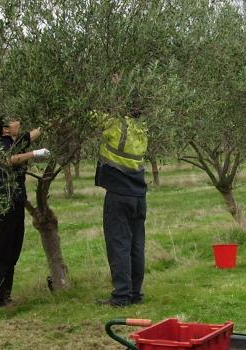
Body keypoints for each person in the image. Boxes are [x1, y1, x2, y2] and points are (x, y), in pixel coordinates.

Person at [93, 85, 149, 308]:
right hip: (138, 195)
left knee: (119, 245)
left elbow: (87, 112)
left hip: (118, 195)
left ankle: (121, 296)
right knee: (136, 245)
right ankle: (134, 293)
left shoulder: (114, 125)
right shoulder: (141, 129)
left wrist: (114, 86)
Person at [0, 116, 48, 308]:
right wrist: (35, 154)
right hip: (5, 206)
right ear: (5, 130)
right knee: (1, 253)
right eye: (13, 122)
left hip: (17, 204)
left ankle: (5, 295)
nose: (18, 122)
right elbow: (9, 160)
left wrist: (49, 123)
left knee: (13, 252)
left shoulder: (16, 142)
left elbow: (33, 134)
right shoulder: (1, 145)